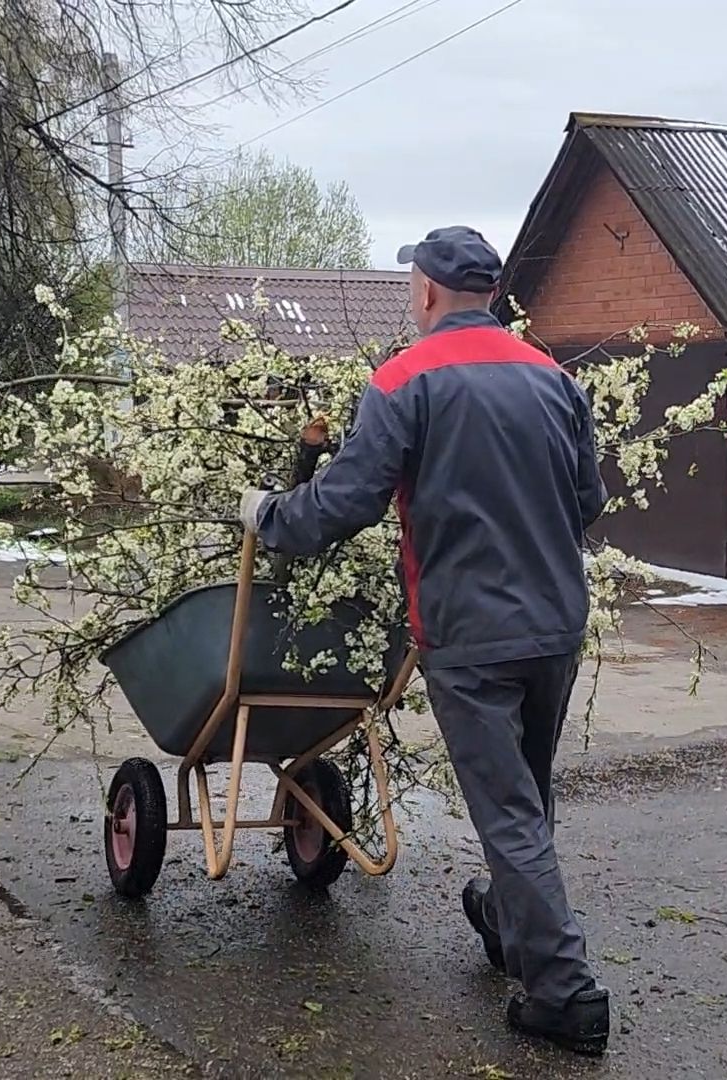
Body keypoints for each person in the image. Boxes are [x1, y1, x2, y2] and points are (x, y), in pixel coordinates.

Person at [235, 226, 611, 1055]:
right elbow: (589, 501)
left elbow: (344, 504)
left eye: (413, 285)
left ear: (429, 292)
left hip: (470, 634)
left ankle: (566, 993)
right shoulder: (553, 378)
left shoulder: (406, 379)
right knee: (527, 797)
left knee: (508, 812)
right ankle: (511, 925)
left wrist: (269, 516)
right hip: (553, 626)